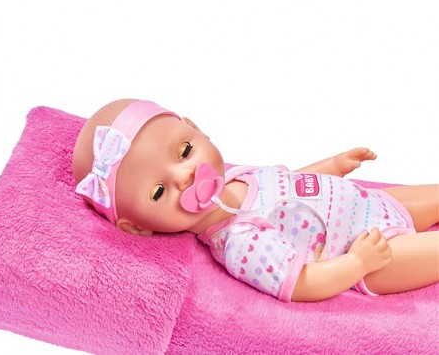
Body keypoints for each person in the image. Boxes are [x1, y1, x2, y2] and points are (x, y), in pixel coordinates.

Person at [72, 99, 439, 302]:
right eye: (158, 192)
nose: (184, 176)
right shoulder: (239, 242)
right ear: (138, 227)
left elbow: (290, 186)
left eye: (184, 151)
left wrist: (332, 166)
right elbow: (303, 283)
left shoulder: (240, 177)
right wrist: (358, 262)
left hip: (374, 202)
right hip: (376, 252)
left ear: (195, 129)